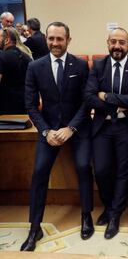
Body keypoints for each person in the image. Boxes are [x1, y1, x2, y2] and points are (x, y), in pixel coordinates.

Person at [21, 21, 94, 251]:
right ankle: (35, 227)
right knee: (39, 172)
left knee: (83, 167)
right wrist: (46, 131)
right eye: (51, 38)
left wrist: (71, 128)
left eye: (59, 39)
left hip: (77, 129)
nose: (55, 43)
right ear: (46, 39)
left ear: (68, 40)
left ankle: (86, 216)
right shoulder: (35, 67)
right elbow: (31, 105)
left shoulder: (81, 66)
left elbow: (86, 101)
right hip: (49, 130)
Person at [84, 27, 128, 239]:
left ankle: (115, 215)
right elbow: (90, 97)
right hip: (102, 127)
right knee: (100, 170)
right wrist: (118, 104)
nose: (117, 46)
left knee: (123, 171)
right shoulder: (98, 66)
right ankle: (109, 206)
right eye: (114, 42)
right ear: (107, 43)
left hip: (127, 128)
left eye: (122, 42)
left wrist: (106, 97)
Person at [0, 27, 32, 114]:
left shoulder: (2, 57)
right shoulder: (26, 56)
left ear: (6, 40)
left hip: (5, 108)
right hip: (25, 105)